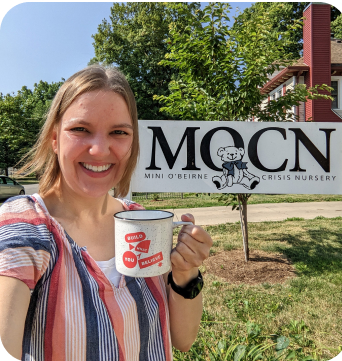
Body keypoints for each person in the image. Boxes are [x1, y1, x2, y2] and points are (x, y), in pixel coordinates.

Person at [0, 65, 213, 361]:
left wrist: (185, 272)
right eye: (80, 130)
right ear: (54, 138)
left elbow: (184, 339)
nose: (100, 150)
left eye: (118, 132)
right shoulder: (24, 229)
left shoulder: (143, 222)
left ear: (132, 142)